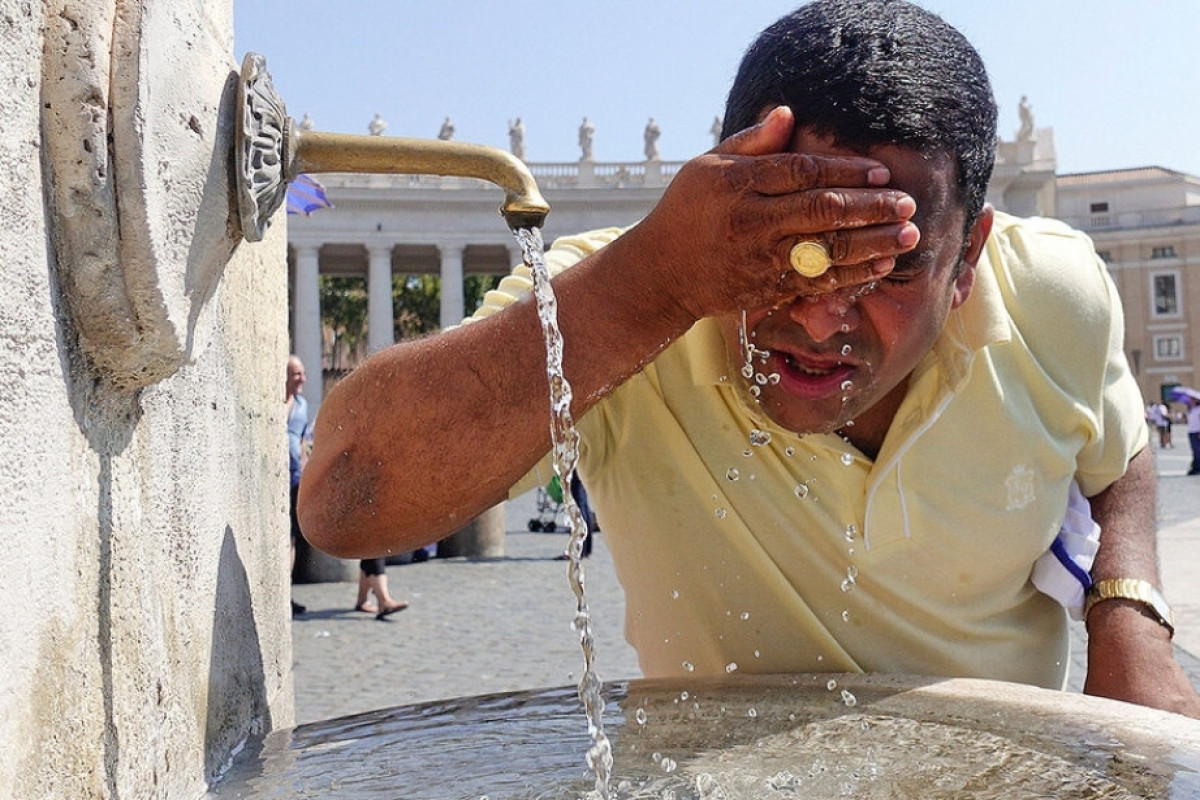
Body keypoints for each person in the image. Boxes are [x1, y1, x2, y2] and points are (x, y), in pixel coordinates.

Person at [300, 0, 1199, 717]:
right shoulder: (626, 298)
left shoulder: (1054, 289)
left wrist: (1128, 615)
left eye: (883, 268)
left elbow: (1116, 454)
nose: (818, 319)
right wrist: (656, 281)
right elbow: (342, 503)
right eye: (784, 252)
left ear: (967, 262)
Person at [285, 355, 312, 618]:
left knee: (292, 538)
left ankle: (286, 593)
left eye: (302, 373)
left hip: (294, 480)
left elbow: (303, 441)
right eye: (296, 374)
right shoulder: (280, 403)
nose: (302, 379)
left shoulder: (303, 406)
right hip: (275, 481)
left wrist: (304, 470)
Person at [1187, 398, 1200, 475]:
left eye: (1193, 400)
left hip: (1197, 431)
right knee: (1194, 450)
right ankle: (1195, 467)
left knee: (1198, 450)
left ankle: (1198, 467)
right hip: (1191, 432)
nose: (1191, 401)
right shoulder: (1192, 409)